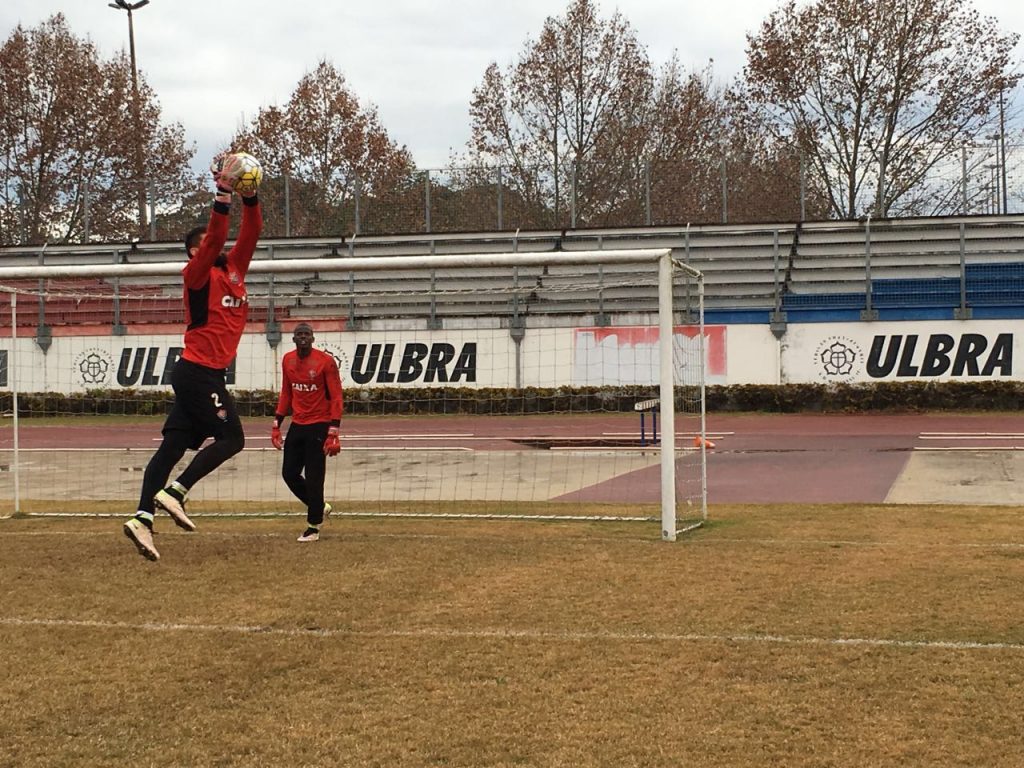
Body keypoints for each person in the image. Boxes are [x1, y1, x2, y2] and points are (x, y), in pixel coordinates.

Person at [123, 153, 263, 561]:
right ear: (192, 254)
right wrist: (223, 191)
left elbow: (251, 233)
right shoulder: (197, 274)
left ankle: (142, 519)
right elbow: (218, 238)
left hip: (200, 374)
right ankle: (176, 492)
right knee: (232, 438)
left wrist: (250, 196)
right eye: (201, 245)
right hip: (199, 372)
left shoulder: (234, 269)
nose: (211, 246)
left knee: (173, 445)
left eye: (209, 242)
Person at [271, 323, 344, 542]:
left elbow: (337, 396)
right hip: (298, 423)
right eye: (299, 335)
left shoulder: (325, 362)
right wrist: (277, 423)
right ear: (293, 339)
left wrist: (334, 429)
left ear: (313, 339)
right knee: (289, 473)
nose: (303, 338)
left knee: (314, 477)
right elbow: (286, 392)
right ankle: (320, 506)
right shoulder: (287, 360)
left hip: (320, 424)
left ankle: (313, 527)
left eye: (306, 335)